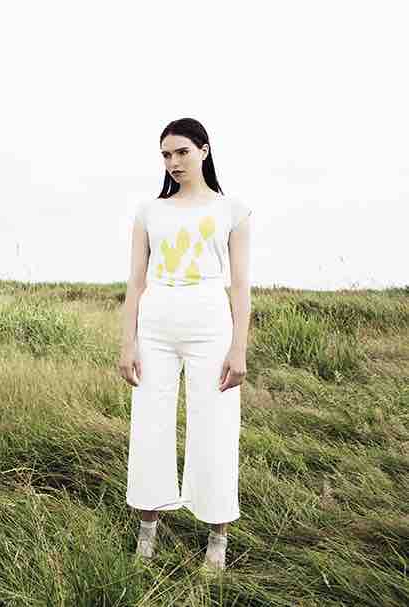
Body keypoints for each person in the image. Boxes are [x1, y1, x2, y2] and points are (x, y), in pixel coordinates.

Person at [118, 118, 253, 573]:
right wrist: (127, 343)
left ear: (204, 151)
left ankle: (217, 536)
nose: (173, 162)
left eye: (181, 152)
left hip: (210, 327)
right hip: (155, 328)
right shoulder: (149, 212)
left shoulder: (232, 210)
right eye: (166, 155)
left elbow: (241, 286)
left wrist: (239, 347)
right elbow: (135, 282)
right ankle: (147, 530)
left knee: (215, 426)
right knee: (149, 425)